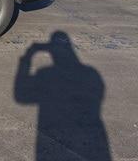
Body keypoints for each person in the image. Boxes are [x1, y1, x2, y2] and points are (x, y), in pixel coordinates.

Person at [14, 31, 111, 161]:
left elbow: (21, 97)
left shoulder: (45, 73)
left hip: (53, 136)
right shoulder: (91, 72)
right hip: (93, 136)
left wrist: (28, 57)